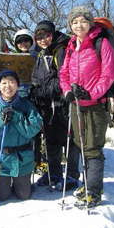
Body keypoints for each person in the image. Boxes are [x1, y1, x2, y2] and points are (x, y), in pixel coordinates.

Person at [60, 6, 114, 207]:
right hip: (76, 104)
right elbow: (64, 73)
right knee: (81, 144)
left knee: (93, 147)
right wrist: (67, 90)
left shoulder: (101, 43)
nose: (79, 25)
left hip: (94, 105)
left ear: (90, 23)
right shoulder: (70, 46)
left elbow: (109, 74)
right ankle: (89, 184)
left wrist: (92, 94)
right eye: (74, 22)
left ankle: (94, 191)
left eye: (83, 21)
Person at [0, 70, 42, 201]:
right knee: (1, 196)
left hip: (22, 159)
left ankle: (22, 184)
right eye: (4, 82)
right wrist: (0, 122)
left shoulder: (26, 105)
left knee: (24, 195)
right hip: (1, 159)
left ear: (17, 85)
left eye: (12, 82)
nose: (8, 86)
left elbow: (34, 128)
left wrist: (17, 116)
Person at [30, 20, 80, 189]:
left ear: (52, 34)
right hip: (47, 106)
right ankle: (54, 173)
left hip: (63, 103)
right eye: (39, 37)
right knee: (51, 140)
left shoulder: (62, 50)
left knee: (69, 140)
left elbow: (63, 77)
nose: (43, 39)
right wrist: (36, 92)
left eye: (46, 35)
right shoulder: (41, 53)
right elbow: (38, 77)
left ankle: (72, 175)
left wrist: (42, 90)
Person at [13, 29, 34, 98]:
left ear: (31, 42)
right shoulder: (13, 58)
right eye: (19, 42)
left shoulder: (38, 55)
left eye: (26, 40)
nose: (23, 43)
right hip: (19, 91)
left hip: (35, 90)